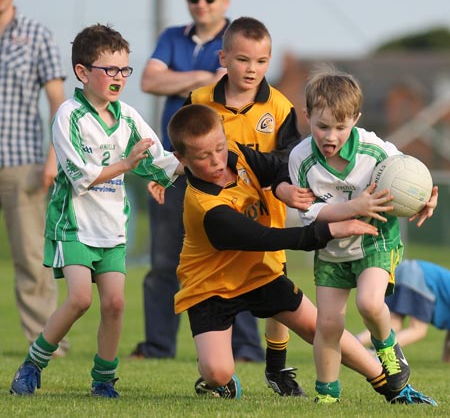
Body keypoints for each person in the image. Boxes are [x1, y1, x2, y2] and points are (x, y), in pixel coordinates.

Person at [166, 103, 435, 404]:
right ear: (182, 159)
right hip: (209, 287)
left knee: (318, 325)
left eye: (219, 147)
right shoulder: (205, 207)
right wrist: (331, 229)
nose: (217, 159)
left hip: (258, 276)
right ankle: (218, 382)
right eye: (203, 156)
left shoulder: (237, 155)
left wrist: (282, 187)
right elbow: (266, 237)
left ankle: (394, 388)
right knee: (218, 371)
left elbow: (280, 166)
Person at [9, 23, 182, 398]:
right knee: (79, 299)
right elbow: (78, 176)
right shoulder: (68, 116)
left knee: (116, 304)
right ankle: (33, 363)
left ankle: (103, 379)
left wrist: (202, 160)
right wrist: (126, 164)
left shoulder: (129, 116)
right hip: (73, 224)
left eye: (124, 70)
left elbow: (161, 160)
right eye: (110, 70)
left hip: (111, 228)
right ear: (83, 72)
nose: (119, 78)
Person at [288, 66, 438, 404]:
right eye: (322, 126)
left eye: (340, 127)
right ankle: (327, 395)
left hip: (375, 240)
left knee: (370, 303)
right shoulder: (300, 158)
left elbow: (410, 174)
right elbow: (309, 214)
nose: (330, 136)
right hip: (330, 249)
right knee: (327, 326)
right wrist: (355, 206)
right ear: (307, 115)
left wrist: (427, 194)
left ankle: (388, 349)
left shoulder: (375, 149)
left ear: (355, 119)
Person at [131, 0, 265, 363]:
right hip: (175, 167)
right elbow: (148, 80)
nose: (201, 4)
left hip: (225, 171)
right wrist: (205, 79)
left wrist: (174, 82)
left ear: (226, 1)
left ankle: (247, 350)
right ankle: (158, 347)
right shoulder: (172, 36)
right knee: (163, 262)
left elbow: (241, 88)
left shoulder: (240, 38)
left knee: (238, 259)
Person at [185, 16, 310, 396]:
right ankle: (215, 368)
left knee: (277, 294)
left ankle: (277, 368)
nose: (251, 69)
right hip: (216, 223)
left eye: (260, 61)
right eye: (242, 60)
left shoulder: (281, 107)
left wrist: (277, 181)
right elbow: (183, 150)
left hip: (262, 219)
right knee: (213, 293)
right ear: (223, 58)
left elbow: (290, 160)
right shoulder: (200, 100)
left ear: (269, 62)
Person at [0, 0, 70, 356]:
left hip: (21, 162)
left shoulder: (37, 35)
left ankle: (46, 343)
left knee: (31, 257)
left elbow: (57, 101)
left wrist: (53, 157)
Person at [356, 259, 450, 362]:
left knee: (391, 324)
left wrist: (446, 360)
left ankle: (352, 343)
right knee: (418, 330)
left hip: (405, 270)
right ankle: (377, 351)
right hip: (420, 277)